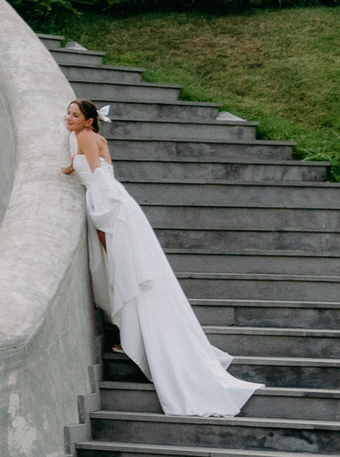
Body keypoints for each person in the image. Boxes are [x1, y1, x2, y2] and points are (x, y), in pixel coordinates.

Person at [65, 99, 263, 417]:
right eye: (68, 113)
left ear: (88, 121)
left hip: (109, 205)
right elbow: (87, 168)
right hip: (118, 203)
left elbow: (99, 176)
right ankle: (135, 333)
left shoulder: (86, 138)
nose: (68, 119)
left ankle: (137, 335)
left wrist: (102, 215)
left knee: (122, 272)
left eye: (74, 115)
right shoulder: (97, 138)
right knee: (127, 275)